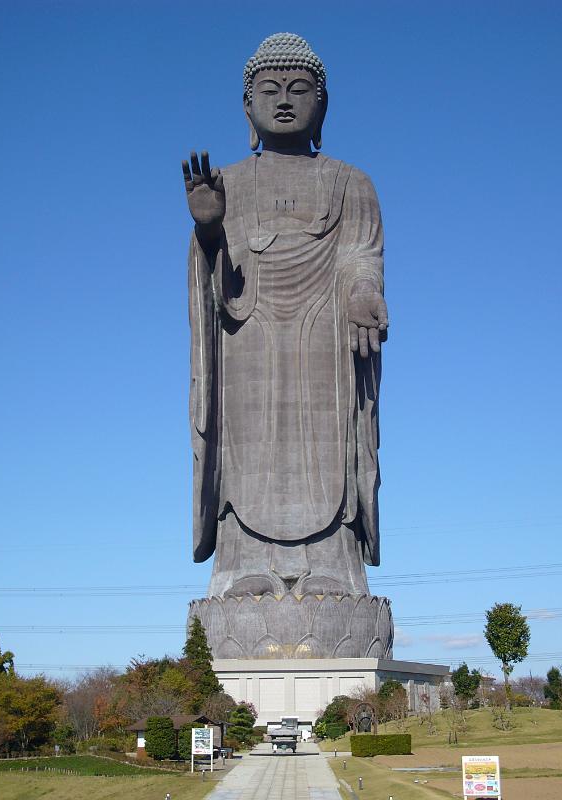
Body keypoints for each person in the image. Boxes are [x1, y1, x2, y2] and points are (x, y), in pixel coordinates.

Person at [183, 34, 387, 599]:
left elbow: (360, 258)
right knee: (245, 446)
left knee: (330, 443)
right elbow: (215, 280)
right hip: (248, 336)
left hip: (325, 337)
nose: (284, 101)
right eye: (269, 90)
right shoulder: (228, 182)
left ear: (323, 103)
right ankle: (242, 566)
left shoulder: (352, 182)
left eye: (300, 89)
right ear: (247, 105)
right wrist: (207, 230)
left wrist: (363, 294)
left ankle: (335, 569)